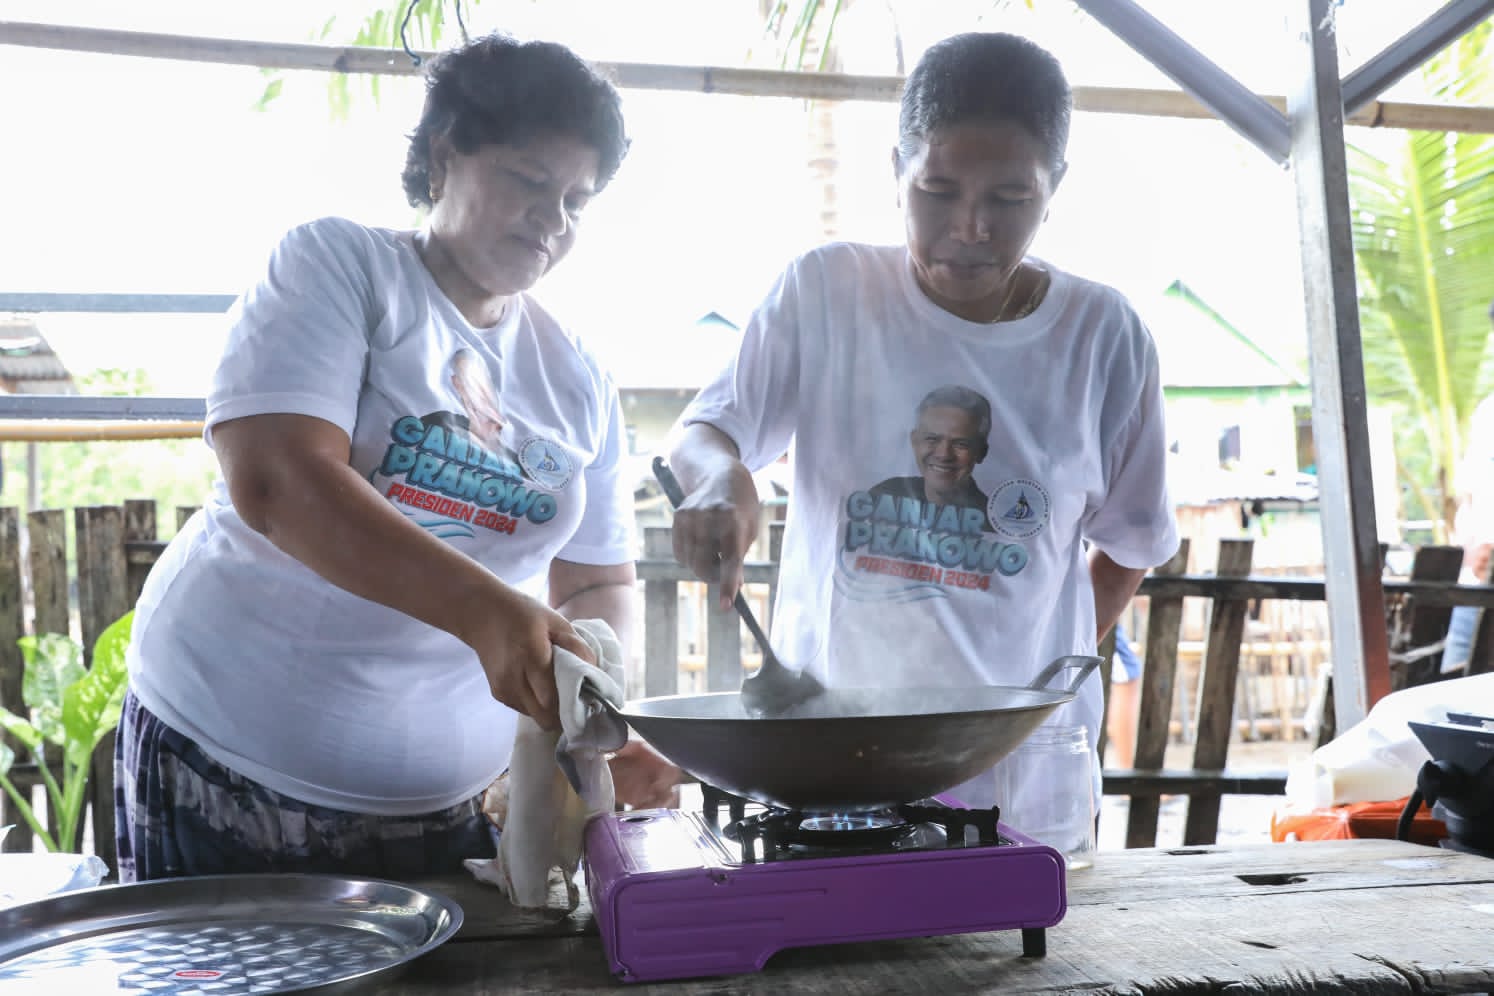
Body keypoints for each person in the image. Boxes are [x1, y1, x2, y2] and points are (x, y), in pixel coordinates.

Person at [114, 33, 647, 882]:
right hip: (234, 769)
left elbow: (596, 582)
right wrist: (485, 611)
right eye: (530, 180)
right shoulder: (341, 266)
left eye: (578, 200)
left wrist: (606, 699)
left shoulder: (577, 372)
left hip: (460, 807)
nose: (554, 220)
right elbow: (279, 480)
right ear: (445, 158)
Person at [662, 31, 1180, 816]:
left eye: (1010, 199)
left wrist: (1028, 692)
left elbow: (1132, 546)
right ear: (896, 169)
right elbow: (704, 431)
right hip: (828, 763)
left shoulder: (1103, 337)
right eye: (937, 190)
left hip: (1023, 787)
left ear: (1056, 185)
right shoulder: (828, 292)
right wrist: (719, 475)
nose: (971, 227)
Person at [869, 384, 995, 531]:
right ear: (914, 441)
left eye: (961, 444)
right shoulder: (884, 496)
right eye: (932, 439)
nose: (944, 454)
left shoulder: (994, 524)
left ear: (981, 452)